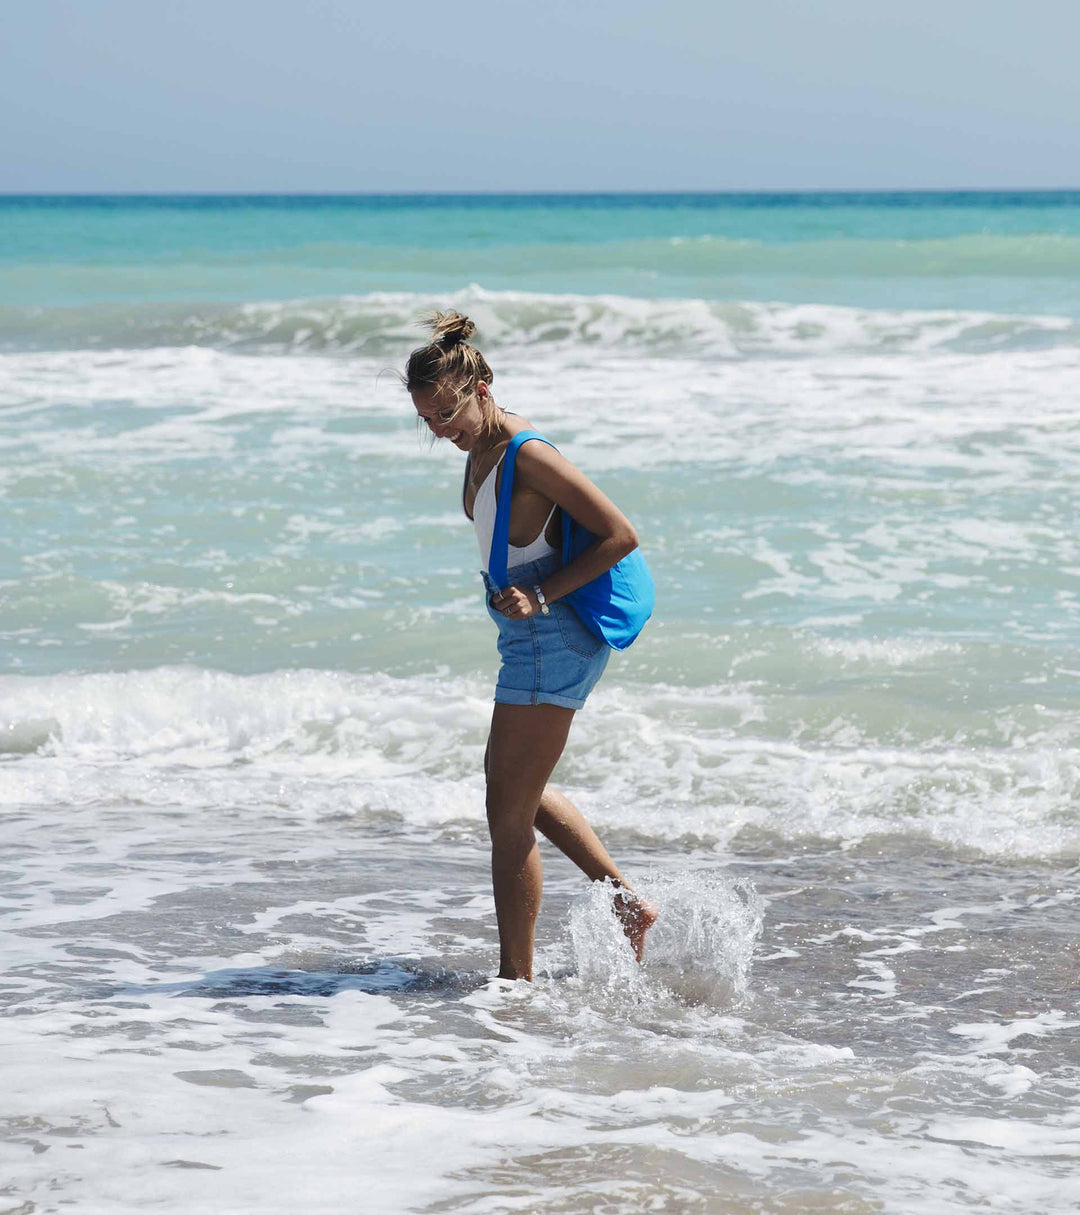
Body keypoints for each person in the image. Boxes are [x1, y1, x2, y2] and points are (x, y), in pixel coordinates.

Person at [405, 310, 657, 982]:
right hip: (526, 639)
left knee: (507, 810)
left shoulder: (531, 454)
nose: (439, 430)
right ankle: (625, 902)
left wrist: (540, 598)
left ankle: (515, 984)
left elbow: (620, 534)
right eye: (427, 419)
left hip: (553, 635)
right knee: (513, 789)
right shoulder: (479, 449)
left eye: (447, 413)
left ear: (483, 387)